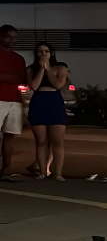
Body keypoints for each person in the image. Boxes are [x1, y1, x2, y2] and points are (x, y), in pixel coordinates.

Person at [26, 42, 70, 180]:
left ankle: (58, 173)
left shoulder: (61, 68)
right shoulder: (30, 70)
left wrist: (49, 68)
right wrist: (41, 69)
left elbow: (58, 85)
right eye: (40, 51)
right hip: (38, 102)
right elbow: (33, 86)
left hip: (54, 103)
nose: (43, 54)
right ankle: (42, 172)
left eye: (46, 51)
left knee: (57, 141)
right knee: (41, 141)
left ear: (52, 53)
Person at [0, 25, 27, 181]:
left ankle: (7, 168)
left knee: (10, 135)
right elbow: (18, 78)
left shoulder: (19, 59)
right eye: (8, 36)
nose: (12, 40)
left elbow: (22, 79)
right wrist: (13, 78)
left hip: (15, 100)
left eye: (14, 37)